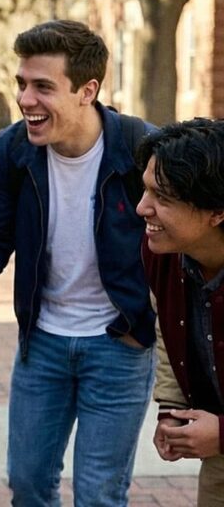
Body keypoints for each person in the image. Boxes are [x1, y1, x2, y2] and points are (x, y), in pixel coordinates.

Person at [0, 20, 156, 505]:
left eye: (42, 87)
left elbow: (182, 242)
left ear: (86, 90)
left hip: (119, 345)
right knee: (29, 485)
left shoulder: (140, 150)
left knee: (99, 495)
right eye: (22, 84)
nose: (25, 99)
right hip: (43, 342)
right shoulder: (13, 150)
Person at [136, 118, 224, 506]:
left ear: (216, 211)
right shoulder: (163, 253)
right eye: (145, 189)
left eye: (163, 197)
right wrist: (172, 407)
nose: (142, 208)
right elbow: (165, 329)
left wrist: (222, 432)